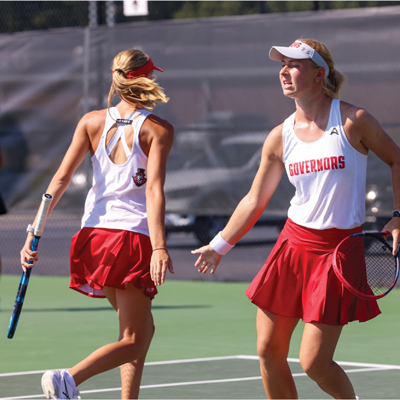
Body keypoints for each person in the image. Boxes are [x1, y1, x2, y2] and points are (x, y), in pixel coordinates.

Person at [191, 38, 400, 399]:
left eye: (295, 64)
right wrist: (219, 244)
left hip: (340, 253)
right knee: (268, 350)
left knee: (314, 362)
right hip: (292, 247)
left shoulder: (355, 121)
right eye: (282, 64)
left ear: (319, 74)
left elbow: (397, 159)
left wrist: (398, 217)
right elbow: (255, 198)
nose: (284, 71)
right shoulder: (279, 137)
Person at [20, 49, 174, 399]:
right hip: (131, 240)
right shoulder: (159, 129)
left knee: (140, 331)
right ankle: (67, 379)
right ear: (144, 79)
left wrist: (34, 231)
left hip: (93, 239)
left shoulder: (90, 121)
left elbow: (59, 180)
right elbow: (153, 190)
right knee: (134, 338)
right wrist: (160, 246)